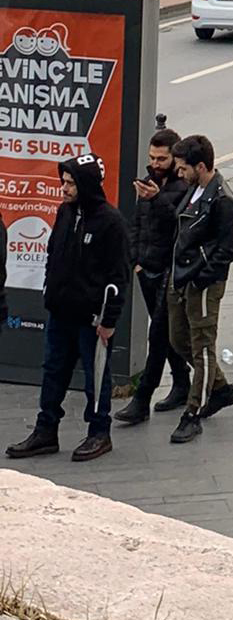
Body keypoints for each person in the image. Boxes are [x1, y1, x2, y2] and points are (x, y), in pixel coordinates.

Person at [6, 155, 130, 463]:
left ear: (86, 184)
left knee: (95, 377)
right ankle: (46, 430)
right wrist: (50, 289)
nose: (64, 188)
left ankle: (99, 432)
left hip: (92, 319)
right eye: (64, 182)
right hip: (60, 313)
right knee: (53, 372)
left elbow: (119, 277)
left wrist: (109, 320)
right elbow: (53, 253)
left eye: (71, 183)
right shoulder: (65, 212)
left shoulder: (111, 222)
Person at [163, 134, 233, 443]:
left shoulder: (222, 200)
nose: (178, 172)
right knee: (178, 339)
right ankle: (220, 388)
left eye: (183, 167)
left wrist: (201, 277)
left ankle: (193, 413)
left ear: (200, 166)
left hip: (202, 282)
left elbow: (227, 250)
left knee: (203, 346)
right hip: (182, 276)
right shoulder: (194, 190)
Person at [115, 127, 192, 427]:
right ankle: (182, 382)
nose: (155, 163)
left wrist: (158, 198)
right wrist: (135, 260)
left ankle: (142, 398)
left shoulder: (183, 185)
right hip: (146, 269)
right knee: (168, 333)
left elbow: (179, 223)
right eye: (152, 158)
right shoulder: (148, 183)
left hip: (168, 271)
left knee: (158, 335)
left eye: (162, 159)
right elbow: (137, 222)